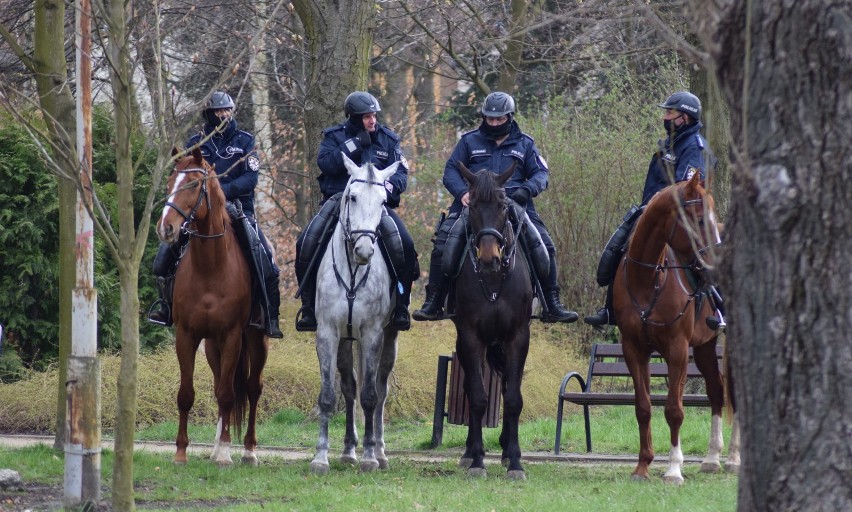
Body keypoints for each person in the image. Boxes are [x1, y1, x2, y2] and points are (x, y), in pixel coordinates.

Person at [413, 91, 578, 323]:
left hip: (514, 204)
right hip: (474, 205)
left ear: (509, 117)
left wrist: (527, 190)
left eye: (499, 119)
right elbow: (450, 170)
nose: (494, 123)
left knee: (545, 245)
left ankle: (552, 304)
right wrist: (462, 193)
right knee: (442, 244)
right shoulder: (468, 141)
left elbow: (541, 174)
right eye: (490, 119)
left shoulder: (526, 144)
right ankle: (435, 301)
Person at [148, 91, 284, 339]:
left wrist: (219, 192)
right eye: (218, 111)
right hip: (199, 214)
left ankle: (268, 314)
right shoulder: (196, 142)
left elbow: (250, 179)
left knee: (265, 259)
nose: (223, 115)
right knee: (161, 261)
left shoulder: (246, 141)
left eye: (226, 110)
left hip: (238, 210)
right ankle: (166, 308)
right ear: (209, 114)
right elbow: (185, 179)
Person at [584, 90, 724, 330]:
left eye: (670, 112)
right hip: (651, 210)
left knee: (703, 255)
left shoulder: (696, 148)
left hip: (684, 215)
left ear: (685, 118)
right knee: (619, 246)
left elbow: (684, 189)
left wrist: (658, 208)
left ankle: (721, 312)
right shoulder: (668, 144)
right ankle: (610, 310)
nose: (666, 117)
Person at [294, 91, 417, 332]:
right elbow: (326, 164)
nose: (372, 120)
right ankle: (309, 307)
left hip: (375, 204)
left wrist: (386, 187)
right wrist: (356, 143)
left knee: (406, 244)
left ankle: (401, 306)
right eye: (366, 117)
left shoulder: (388, 139)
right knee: (305, 242)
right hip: (338, 201)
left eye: (374, 115)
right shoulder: (334, 136)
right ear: (353, 118)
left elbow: (401, 174)